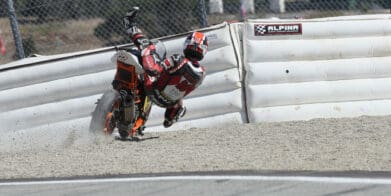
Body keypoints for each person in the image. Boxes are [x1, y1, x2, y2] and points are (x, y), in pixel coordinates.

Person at [114, 7, 208, 128]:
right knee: (178, 94)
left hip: (153, 88)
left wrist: (152, 57)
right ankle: (171, 117)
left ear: (187, 44)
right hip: (168, 103)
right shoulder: (202, 74)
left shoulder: (177, 59)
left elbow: (155, 70)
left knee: (148, 47)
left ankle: (129, 25)